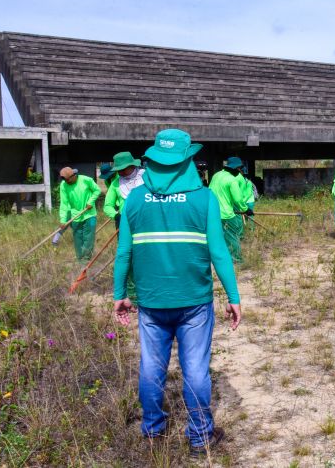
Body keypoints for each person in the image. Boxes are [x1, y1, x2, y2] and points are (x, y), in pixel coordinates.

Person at [112, 128, 241, 454]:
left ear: (153, 160)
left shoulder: (135, 199)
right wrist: (234, 297)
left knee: (151, 366)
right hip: (195, 302)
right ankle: (200, 437)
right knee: (196, 369)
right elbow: (220, 253)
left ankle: (153, 430)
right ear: (187, 161)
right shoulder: (204, 198)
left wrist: (119, 294)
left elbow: (124, 252)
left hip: (152, 302)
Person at [208, 157, 249, 262]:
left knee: (217, 238)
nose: (240, 171)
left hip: (212, 213)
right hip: (226, 215)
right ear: (235, 168)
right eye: (239, 169)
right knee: (232, 237)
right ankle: (236, 260)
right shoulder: (232, 180)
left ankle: (218, 258)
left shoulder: (216, 175)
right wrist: (246, 209)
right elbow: (238, 199)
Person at [58, 167, 101, 264]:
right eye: (64, 180)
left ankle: (86, 261)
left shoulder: (86, 180)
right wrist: (63, 220)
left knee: (88, 239)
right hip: (75, 216)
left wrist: (91, 201)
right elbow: (64, 204)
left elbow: (97, 190)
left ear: (74, 175)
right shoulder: (64, 185)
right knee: (78, 240)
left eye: (68, 179)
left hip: (89, 214)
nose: (66, 182)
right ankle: (79, 260)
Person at [103, 152, 145, 229]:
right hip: (125, 221)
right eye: (118, 170)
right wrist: (116, 216)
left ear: (132, 165)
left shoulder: (145, 177)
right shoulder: (115, 183)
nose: (120, 172)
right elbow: (108, 205)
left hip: (146, 220)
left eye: (123, 169)